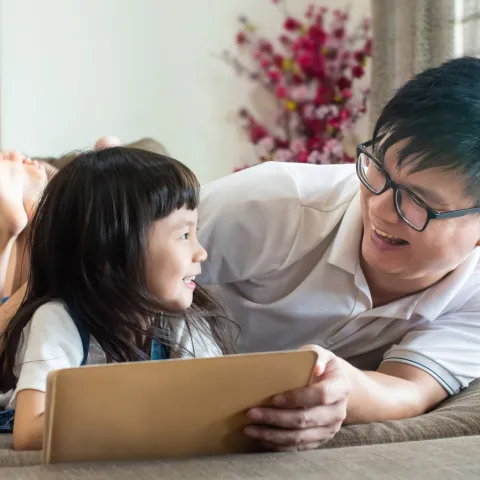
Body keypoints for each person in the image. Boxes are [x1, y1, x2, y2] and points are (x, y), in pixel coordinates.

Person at [197, 56, 480, 451]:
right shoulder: (274, 202)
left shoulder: (475, 296)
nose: (380, 208)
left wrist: (343, 389)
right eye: (378, 169)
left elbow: (409, 387)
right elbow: (113, 264)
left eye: (417, 200)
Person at [0, 147, 236, 450]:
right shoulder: (59, 319)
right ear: (114, 252)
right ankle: (16, 232)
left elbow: (219, 400)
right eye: (184, 235)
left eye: (196, 233)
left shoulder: (181, 322)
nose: (201, 252)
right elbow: (30, 431)